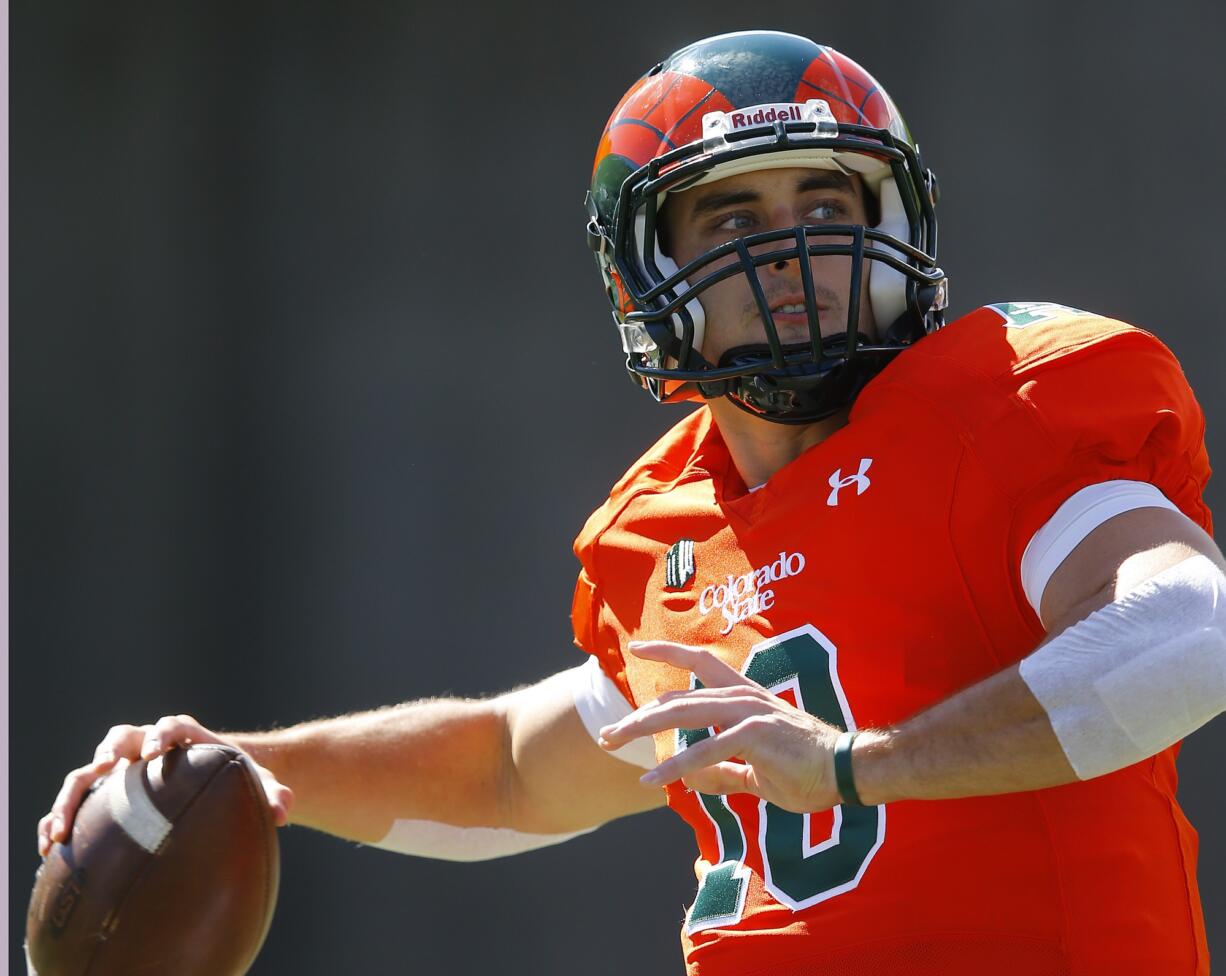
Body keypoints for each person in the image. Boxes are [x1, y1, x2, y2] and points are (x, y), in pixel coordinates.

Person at [38, 30, 1226, 975]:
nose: (794, 254)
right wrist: (238, 764)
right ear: (645, 272)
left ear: (891, 225)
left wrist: (858, 765)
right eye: (734, 218)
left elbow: (1190, 631)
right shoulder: (665, 526)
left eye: (825, 205)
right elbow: (510, 766)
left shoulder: (998, 409)